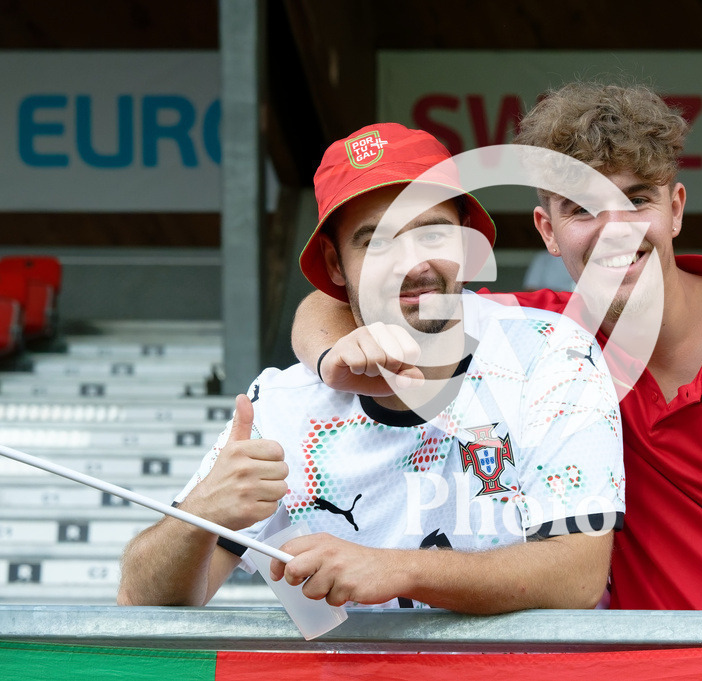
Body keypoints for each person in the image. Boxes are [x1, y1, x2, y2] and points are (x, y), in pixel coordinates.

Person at [292, 83, 702, 612]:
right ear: (547, 230)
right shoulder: (543, 337)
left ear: (676, 208)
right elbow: (335, 297)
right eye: (583, 208)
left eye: (638, 198)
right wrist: (332, 360)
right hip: (651, 664)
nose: (617, 229)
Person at [117, 123, 625, 613]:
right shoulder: (283, 405)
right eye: (376, 242)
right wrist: (202, 514)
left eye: (431, 233)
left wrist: (397, 571)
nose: (413, 265)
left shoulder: (550, 354)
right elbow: (140, 601)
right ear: (336, 265)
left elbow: (577, 575)